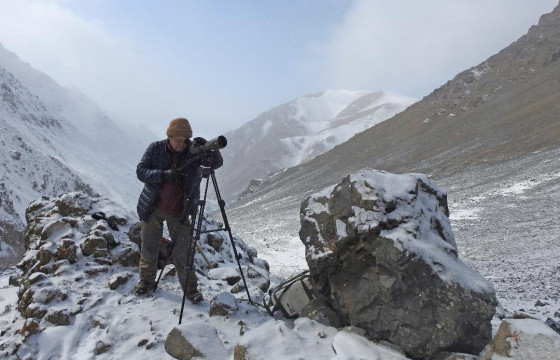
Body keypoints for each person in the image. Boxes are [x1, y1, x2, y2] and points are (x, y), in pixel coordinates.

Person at [134, 117, 222, 303]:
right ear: (170, 136)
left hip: (180, 210)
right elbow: (141, 171)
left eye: (185, 140)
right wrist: (162, 175)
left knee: (184, 252)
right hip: (153, 207)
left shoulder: (192, 152)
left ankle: (190, 290)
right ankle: (146, 282)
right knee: (149, 247)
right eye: (178, 140)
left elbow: (216, 163)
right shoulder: (155, 148)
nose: (182, 144)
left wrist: (208, 148)